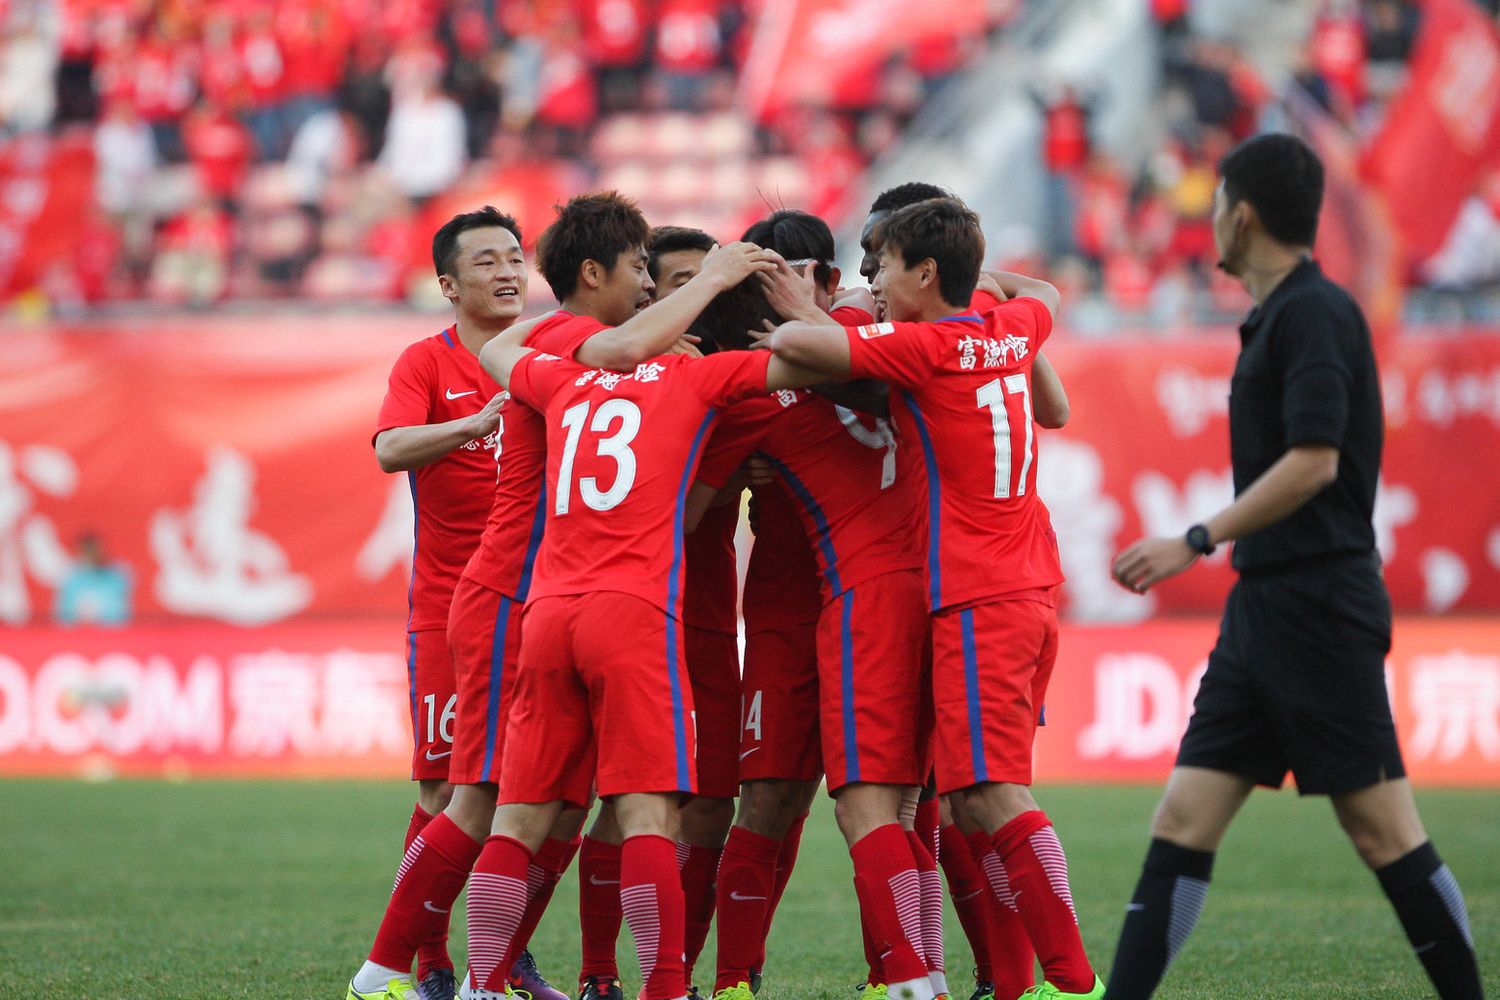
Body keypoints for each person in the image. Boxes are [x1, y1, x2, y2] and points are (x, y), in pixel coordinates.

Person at [1104, 133, 1483, 1000]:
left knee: (1384, 831)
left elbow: (1315, 461)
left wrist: (1193, 540)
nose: (1209, 223)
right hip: (1265, 610)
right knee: (1184, 820)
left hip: (1319, 604)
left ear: (1240, 214)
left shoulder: (1316, 312)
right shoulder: (1281, 313)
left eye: (1215, 207)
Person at [765, 196, 1103, 999]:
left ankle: (1070, 980)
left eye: (881, 265)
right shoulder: (1005, 330)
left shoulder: (922, 349)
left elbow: (797, 342)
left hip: (981, 597)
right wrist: (984, 279)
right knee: (971, 798)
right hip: (1021, 587)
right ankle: (1027, 979)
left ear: (924, 272)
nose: (871, 280)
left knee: (987, 794)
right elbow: (1047, 298)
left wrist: (790, 299)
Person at [460, 248, 816, 1000]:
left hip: (549, 610)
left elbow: (495, 349)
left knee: (518, 818)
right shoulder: (699, 376)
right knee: (649, 815)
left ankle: (481, 985)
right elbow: (814, 368)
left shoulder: (562, 377)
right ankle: (663, 987)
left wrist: (615, 341)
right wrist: (763, 298)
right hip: (633, 613)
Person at [356, 206, 521, 1000]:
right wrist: (471, 424)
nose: (508, 271)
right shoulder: (428, 362)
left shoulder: (552, 355)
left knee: (534, 795)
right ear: (450, 284)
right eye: (486, 261)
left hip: (538, 609)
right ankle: (428, 964)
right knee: (445, 792)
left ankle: (503, 957)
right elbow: (390, 449)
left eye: (516, 257)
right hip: (449, 609)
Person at [571, 223, 739, 999]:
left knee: (706, 805)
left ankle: (700, 974)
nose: (675, 297)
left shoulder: (721, 374)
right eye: (667, 283)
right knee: (621, 806)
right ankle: (614, 975)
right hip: (637, 610)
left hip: (703, 615)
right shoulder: (665, 377)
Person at [54, 533, 133, 626]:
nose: (92, 554)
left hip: (110, 635)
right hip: (78, 636)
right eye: (88, 550)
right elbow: (62, 616)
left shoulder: (116, 577)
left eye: (95, 550)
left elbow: (121, 615)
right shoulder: (71, 579)